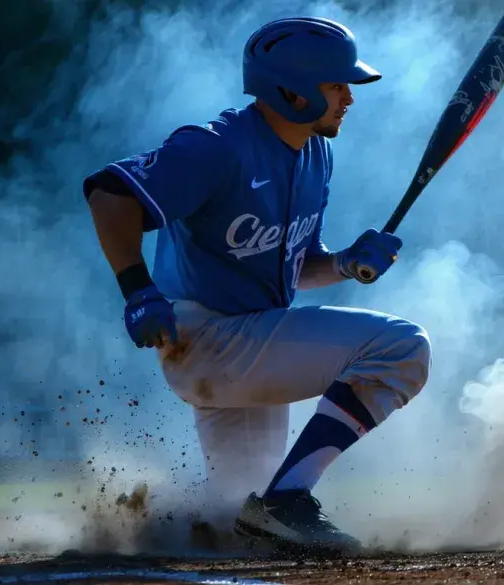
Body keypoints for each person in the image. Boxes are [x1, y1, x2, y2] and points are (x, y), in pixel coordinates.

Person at [83, 17, 432, 553]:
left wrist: (341, 263)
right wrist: (138, 289)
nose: (348, 98)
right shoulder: (216, 147)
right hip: (209, 336)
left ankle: (179, 523)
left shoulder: (316, 154)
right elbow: (110, 193)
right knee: (401, 347)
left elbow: (295, 265)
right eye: (336, 85)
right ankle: (286, 501)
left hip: (248, 345)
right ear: (290, 91)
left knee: (238, 524)